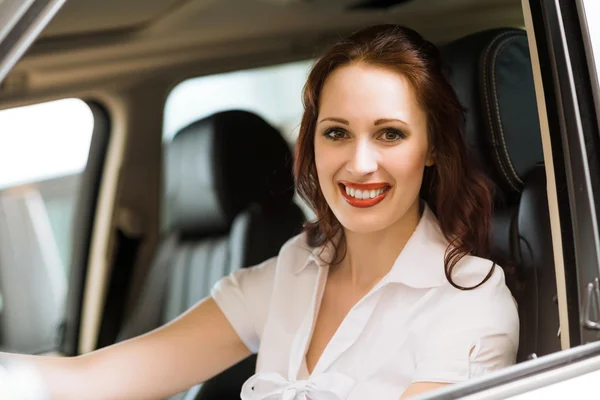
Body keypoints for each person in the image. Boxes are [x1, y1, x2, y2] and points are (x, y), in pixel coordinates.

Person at [0, 24, 519, 400]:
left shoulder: (468, 306)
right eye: (336, 132)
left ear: (431, 148)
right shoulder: (291, 272)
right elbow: (97, 379)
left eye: (390, 134)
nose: (361, 164)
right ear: (312, 143)